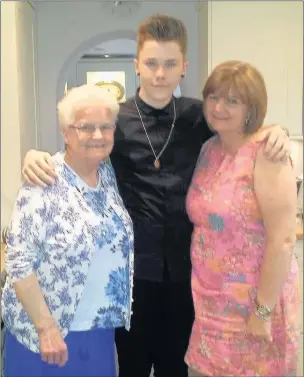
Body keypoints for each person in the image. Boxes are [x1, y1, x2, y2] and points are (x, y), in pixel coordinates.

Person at [20, 14, 291, 377]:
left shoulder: (201, 117)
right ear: (137, 66)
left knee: (175, 369)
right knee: (130, 367)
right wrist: (35, 156)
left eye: (169, 64)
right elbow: (81, 153)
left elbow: (243, 126)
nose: (160, 73)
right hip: (132, 279)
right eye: (151, 63)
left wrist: (279, 130)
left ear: (184, 67)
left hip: (190, 279)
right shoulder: (117, 120)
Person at [2, 85, 134, 377]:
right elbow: (17, 261)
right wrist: (45, 327)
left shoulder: (107, 173)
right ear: (65, 132)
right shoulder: (44, 178)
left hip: (98, 330)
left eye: (105, 126)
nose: (97, 135)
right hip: (47, 336)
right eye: (85, 127)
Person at [185, 61, 300, 377]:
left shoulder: (267, 153)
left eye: (232, 101)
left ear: (251, 108)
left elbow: (283, 239)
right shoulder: (209, 149)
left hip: (253, 304)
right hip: (209, 304)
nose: (218, 107)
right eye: (213, 97)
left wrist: (262, 312)